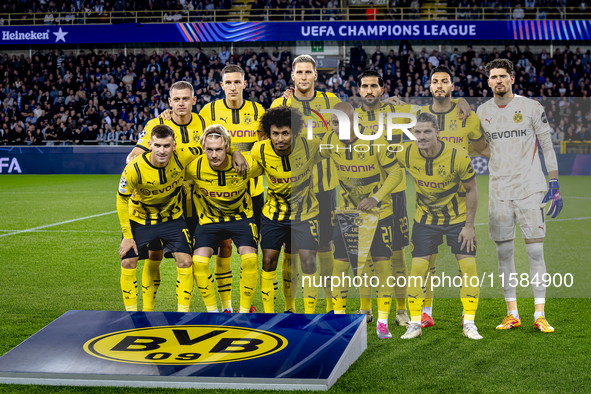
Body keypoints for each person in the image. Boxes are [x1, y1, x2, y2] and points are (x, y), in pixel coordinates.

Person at [126, 81, 246, 312]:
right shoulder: (156, 124)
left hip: (202, 200)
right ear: (169, 102)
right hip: (169, 203)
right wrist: (134, 173)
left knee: (223, 247)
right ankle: (149, 310)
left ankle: (225, 308)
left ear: (193, 100)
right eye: (176, 99)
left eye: (185, 99)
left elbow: (222, 143)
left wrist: (236, 152)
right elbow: (136, 154)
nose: (181, 103)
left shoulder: (204, 123)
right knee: (155, 254)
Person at [478, 59, 562, 333]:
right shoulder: (482, 112)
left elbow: (547, 146)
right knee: (504, 252)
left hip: (530, 188)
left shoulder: (531, 107)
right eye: (493, 77)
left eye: (503, 75)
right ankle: (512, 313)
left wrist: (554, 182)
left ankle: (540, 314)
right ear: (488, 81)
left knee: (535, 251)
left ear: (512, 78)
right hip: (499, 191)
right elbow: (479, 146)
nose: (498, 80)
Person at [414, 65, 489, 329]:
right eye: (435, 82)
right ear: (429, 86)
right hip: (428, 203)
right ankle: (426, 312)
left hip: (460, 204)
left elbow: (483, 148)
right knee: (427, 266)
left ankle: (469, 320)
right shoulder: (419, 116)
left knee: (467, 266)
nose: (439, 86)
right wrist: (391, 101)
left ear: (452, 86)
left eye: (444, 81)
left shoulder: (467, 115)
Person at [321, 102, 404, 339]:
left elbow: (396, 172)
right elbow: (307, 151)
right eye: (335, 122)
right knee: (341, 263)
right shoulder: (330, 141)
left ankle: (382, 322)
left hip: (380, 213)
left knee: (381, 264)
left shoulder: (375, 141)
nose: (338, 127)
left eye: (343, 122)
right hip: (348, 212)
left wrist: (376, 198)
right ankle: (338, 318)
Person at [398, 112, 482, 340]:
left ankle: (469, 323)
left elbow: (473, 189)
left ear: (437, 133)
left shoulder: (458, 156)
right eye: (417, 132)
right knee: (417, 271)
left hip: (458, 222)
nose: (422, 136)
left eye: (427, 131)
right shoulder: (406, 152)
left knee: (469, 270)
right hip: (425, 221)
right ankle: (415, 323)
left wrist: (469, 226)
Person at [270, 55, 341, 313]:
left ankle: (333, 306)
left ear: (315, 75)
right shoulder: (281, 103)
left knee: (325, 245)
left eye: (307, 72)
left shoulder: (331, 102)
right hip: (291, 189)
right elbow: (264, 136)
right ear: (292, 76)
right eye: (298, 72)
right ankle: (290, 307)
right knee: (292, 246)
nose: (303, 76)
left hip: (325, 187)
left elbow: (355, 123)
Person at [199, 64, 266, 313]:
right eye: (228, 82)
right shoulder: (209, 110)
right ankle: (226, 306)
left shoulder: (258, 110)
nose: (233, 87)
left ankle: (245, 304)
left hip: (253, 191)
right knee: (224, 246)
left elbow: (266, 144)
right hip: (219, 192)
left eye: (238, 82)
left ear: (245, 84)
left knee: (251, 250)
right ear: (222, 85)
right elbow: (201, 140)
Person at [117, 125, 201, 312]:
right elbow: (121, 200)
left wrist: (235, 152)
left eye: (166, 146)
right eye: (157, 145)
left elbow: (207, 145)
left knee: (186, 261)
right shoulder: (134, 168)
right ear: (150, 145)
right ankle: (132, 315)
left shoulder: (184, 155)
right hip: (140, 220)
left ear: (174, 146)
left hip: (172, 220)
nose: (162, 150)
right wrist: (127, 236)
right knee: (128, 261)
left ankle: (183, 315)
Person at [251, 106, 322, 314]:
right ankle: (271, 315)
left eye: (285, 133)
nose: (280, 138)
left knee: (308, 260)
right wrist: (237, 154)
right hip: (273, 215)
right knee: (269, 259)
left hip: (306, 214)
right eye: (275, 133)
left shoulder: (311, 146)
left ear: (294, 132)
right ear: (268, 133)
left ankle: (309, 315)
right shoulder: (260, 150)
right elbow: (246, 167)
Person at [185, 125, 263, 313]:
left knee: (251, 259)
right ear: (203, 149)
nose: (214, 155)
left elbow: (270, 163)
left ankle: (244, 312)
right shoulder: (193, 168)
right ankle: (214, 313)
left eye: (219, 149)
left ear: (227, 148)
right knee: (200, 262)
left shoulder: (245, 164)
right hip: (209, 220)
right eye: (209, 150)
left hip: (241, 218)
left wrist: (238, 153)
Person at [354, 70, 410, 327]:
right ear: (358, 90)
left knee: (397, 256)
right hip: (363, 195)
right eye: (364, 86)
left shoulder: (396, 112)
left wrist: (462, 101)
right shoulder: (351, 118)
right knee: (364, 256)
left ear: (382, 89)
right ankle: (365, 310)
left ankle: (401, 310)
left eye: (373, 86)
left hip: (395, 192)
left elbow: (437, 110)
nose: (369, 90)